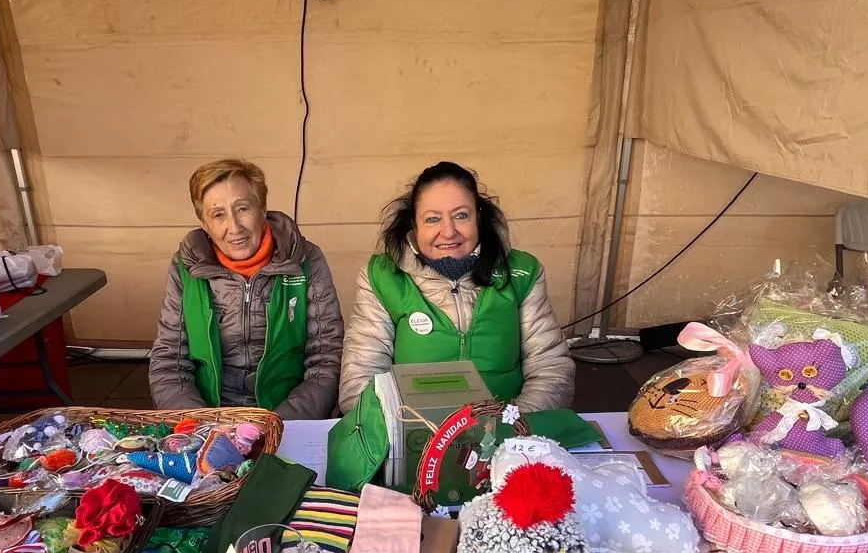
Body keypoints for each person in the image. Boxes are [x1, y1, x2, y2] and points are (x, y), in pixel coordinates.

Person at [339, 161, 574, 413]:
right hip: (414, 436)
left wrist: (511, 428)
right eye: (432, 219)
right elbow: (360, 379)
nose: (448, 232)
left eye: (461, 215)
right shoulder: (382, 277)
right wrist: (405, 432)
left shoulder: (522, 272)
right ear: (414, 226)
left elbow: (551, 370)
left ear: (479, 219)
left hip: (506, 436)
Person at [151, 159, 344, 419]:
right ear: (205, 225)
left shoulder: (306, 260)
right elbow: (169, 363)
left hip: (287, 417)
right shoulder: (185, 268)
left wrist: (277, 424)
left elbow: (326, 358)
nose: (234, 227)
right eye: (218, 215)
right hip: (209, 419)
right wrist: (204, 424)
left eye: (242, 209)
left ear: (262, 209)